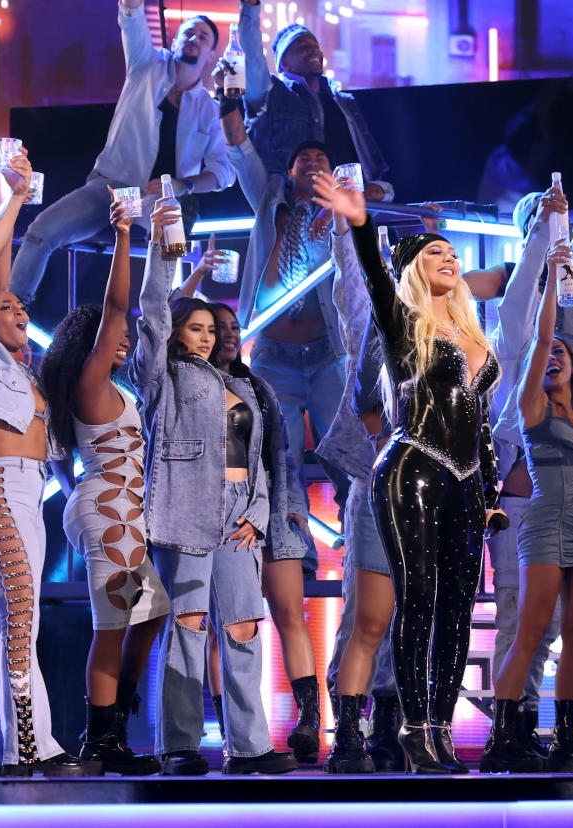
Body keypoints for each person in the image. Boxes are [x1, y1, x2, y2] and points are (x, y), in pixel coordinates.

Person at [313, 174, 502, 775]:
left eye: (451, 252)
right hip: (412, 467)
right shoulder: (404, 326)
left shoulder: (474, 335)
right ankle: (414, 730)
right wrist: (361, 223)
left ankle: (442, 729)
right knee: (417, 599)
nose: (446, 256)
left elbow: (484, 424)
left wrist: (490, 490)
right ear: (416, 270)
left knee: (458, 607)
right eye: (433, 252)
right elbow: (372, 273)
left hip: (467, 481)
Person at [129, 200, 296, 776]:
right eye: (194, 328)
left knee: (245, 626)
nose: (204, 338)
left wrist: (260, 514)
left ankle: (249, 746)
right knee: (189, 624)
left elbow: (259, 461)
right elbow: (150, 313)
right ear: (176, 334)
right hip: (186, 512)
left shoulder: (241, 388)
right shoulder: (163, 377)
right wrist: (160, 249)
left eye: (210, 330)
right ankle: (178, 745)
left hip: (239, 515)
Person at [0, 150, 84, 777]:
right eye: (5, 310)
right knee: (21, 622)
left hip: (29, 496)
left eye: (22, 311)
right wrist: (14, 199)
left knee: (8, 623)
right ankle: (28, 749)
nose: (17, 312)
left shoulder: (21, 371)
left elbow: (1, 282)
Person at [39, 190, 170, 776]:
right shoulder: (93, 384)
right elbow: (118, 305)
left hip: (116, 508)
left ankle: (115, 714)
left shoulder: (112, 390)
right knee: (114, 624)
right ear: (91, 344)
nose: (122, 337)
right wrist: (124, 234)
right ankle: (103, 737)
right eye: (112, 334)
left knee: (151, 613)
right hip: (113, 511)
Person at [480, 238, 573, 774]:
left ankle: (565, 739)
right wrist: (553, 278)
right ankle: (503, 736)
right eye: (550, 353)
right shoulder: (530, 404)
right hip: (543, 524)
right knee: (532, 631)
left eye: (565, 352)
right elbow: (541, 337)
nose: (556, 355)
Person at [8, 1, 233, 307]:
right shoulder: (145, 65)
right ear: (175, 39)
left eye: (203, 36)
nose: (194, 38)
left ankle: (164, 316)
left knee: (173, 228)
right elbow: (131, 18)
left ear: (211, 56)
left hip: (159, 198)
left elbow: (224, 172)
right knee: (38, 232)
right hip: (111, 187)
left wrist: (185, 184)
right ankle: (11, 313)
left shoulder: (209, 109)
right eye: (188, 32)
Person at [219, 88, 347, 579]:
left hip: (325, 356)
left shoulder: (336, 215)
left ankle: (358, 541)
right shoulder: (268, 201)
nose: (313, 162)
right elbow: (238, 148)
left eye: (322, 158)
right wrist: (229, 105)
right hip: (272, 356)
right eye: (304, 159)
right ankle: (300, 556)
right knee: (281, 457)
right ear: (290, 172)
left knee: (346, 452)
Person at [317, 185, 398, 775]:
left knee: (405, 615)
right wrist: (351, 231)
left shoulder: (447, 331)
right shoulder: (377, 322)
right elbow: (356, 287)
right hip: (377, 481)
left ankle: (392, 727)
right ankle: (348, 731)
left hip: (429, 494)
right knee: (364, 615)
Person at [237, 0, 392, 196]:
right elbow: (251, 57)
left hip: (349, 205)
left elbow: (363, 157)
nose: (313, 50)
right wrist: (251, 7)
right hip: (293, 205)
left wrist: (378, 189)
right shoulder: (271, 93)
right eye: (302, 46)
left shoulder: (344, 101)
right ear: (284, 64)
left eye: (315, 46)